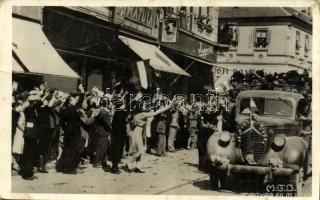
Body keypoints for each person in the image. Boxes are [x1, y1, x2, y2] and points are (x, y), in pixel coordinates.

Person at [126, 98, 176, 173]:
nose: (146, 106)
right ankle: (129, 162)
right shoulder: (143, 114)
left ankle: (138, 166)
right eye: (144, 105)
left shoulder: (136, 114)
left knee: (139, 150)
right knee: (141, 151)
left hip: (136, 132)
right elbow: (156, 112)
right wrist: (168, 106)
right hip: (136, 133)